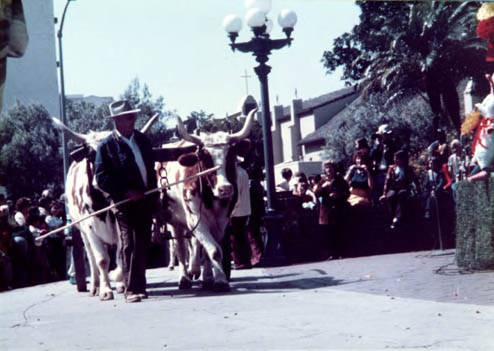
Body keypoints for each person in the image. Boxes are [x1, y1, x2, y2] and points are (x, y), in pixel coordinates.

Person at [95, 100, 158, 303]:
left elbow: (151, 169)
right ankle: (131, 289)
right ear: (117, 121)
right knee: (128, 243)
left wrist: (152, 192)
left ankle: (139, 285)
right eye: (128, 117)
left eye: (133, 116)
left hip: (146, 198)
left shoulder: (142, 140)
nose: (132, 120)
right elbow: (101, 177)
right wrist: (125, 192)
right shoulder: (106, 146)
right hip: (124, 202)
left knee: (142, 242)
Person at [314, 161, 350, 258]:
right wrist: (323, 187)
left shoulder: (340, 180)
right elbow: (316, 193)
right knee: (328, 233)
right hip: (326, 211)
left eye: (330, 167)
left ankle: (340, 253)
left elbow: (347, 193)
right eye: (327, 168)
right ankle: (331, 253)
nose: (329, 170)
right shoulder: (322, 181)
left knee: (339, 231)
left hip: (338, 209)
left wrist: (338, 195)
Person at [380, 150, 420, 230]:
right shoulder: (391, 168)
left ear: (403, 159)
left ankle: (397, 218)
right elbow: (387, 181)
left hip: (404, 187)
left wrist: (418, 191)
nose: (395, 160)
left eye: (397, 159)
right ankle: (391, 216)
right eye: (395, 158)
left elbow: (414, 180)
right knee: (390, 196)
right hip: (393, 187)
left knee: (401, 194)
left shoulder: (408, 168)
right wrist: (384, 193)